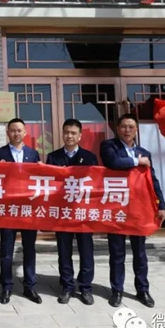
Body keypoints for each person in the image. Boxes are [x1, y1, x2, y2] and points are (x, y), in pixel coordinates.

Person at [100, 113, 165, 309]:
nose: (127, 130)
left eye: (131, 127)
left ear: (136, 129)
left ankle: (142, 290)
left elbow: (152, 180)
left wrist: (160, 205)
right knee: (117, 252)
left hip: (139, 208)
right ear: (117, 128)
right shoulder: (109, 146)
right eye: (123, 126)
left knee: (140, 253)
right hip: (117, 207)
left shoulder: (144, 151)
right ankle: (117, 290)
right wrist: (138, 162)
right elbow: (113, 163)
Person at [45, 118, 99, 306]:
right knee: (64, 251)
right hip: (63, 213)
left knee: (86, 251)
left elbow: (96, 186)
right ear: (62, 134)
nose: (69, 136)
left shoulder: (90, 157)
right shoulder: (53, 158)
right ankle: (67, 286)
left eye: (73, 133)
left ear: (80, 135)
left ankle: (85, 287)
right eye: (66, 132)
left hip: (84, 213)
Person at [0, 118, 42, 305]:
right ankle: (6, 286)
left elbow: (39, 179)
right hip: (8, 209)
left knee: (29, 249)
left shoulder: (33, 154)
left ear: (25, 132)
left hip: (28, 209)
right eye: (13, 130)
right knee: (6, 250)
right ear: (7, 133)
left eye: (19, 130)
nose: (16, 133)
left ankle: (30, 285)